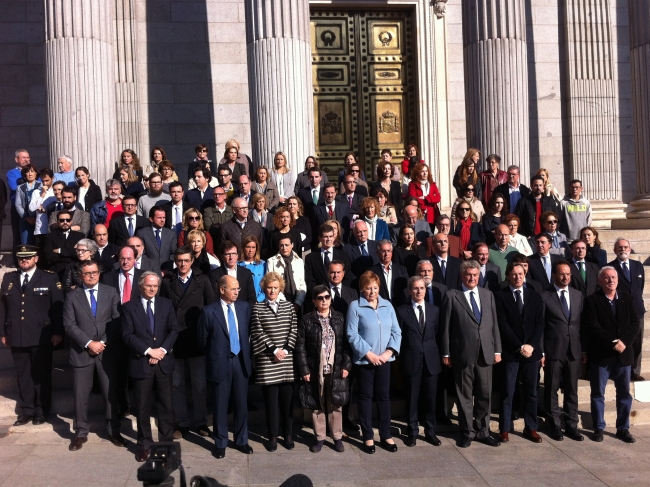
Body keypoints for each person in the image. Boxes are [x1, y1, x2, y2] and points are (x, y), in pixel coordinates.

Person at [0, 245, 64, 427]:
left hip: (41, 335)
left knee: (41, 375)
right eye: (21, 258)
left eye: (28, 257)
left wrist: (58, 332)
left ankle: (41, 410)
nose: (24, 261)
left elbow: (58, 307)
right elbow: (3, 307)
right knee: (23, 375)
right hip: (17, 334)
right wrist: (3, 332)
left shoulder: (49, 277)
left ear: (36, 258)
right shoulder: (9, 278)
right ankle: (26, 410)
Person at [63, 261, 123, 452]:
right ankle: (80, 432)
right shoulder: (72, 296)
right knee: (81, 396)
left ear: (99, 273)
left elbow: (116, 320)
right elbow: (69, 325)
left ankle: (113, 430)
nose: (91, 276)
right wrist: (89, 343)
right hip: (82, 351)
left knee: (110, 394)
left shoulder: (111, 292)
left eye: (94, 272)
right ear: (80, 275)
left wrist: (102, 343)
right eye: (87, 273)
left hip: (106, 351)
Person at [442, 260, 502, 448]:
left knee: (485, 394)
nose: (472, 278)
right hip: (462, 354)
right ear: (462, 275)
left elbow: (494, 326)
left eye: (475, 275)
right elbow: (445, 328)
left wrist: (497, 349)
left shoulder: (488, 295)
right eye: (468, 275)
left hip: (485, 353)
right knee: (464, 396)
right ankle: (467, 432)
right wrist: (446, 352)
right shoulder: (453, 295)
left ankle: (483, 431)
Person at [121, 272, 179, 462]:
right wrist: (148, 351)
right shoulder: (129, 307)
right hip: (141, 363)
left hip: (163, 363)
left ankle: (166, 445)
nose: (153, 289)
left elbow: (174, 329)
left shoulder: (166, 304)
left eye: (155, 286)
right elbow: (127, 335)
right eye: (149, 286)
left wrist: (161, 350)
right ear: (140, 286)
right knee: (143, 408)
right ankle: (144, 445)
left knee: (166, 406)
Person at [159, 247, 214, 439]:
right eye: (179, 261)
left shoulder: (203, 280)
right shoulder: (167, 282)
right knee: (177, 384)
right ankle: (181, 422)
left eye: (186, 260)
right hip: (175, 341)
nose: (182, 264)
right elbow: (163, 311)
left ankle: (200, 421)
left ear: (192, 261)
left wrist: (207, 336)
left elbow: (210, 307)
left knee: (199, 385)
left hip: (196, 339)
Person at [197, 275, 254, 458]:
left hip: (240, 361)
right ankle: (220, 442)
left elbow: (249, 332)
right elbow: (202, 340)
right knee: (220, 405)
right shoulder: (208, 311)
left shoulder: (244, 308)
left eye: (238, 288)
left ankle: (241, 440)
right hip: (220, 362)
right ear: (222, 290)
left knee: (241, 404)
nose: (237, 292)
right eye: (233, 289)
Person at [584, 267, 640, 443]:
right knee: (597, 393)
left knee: (624, 394)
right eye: (606, 278)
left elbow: (635, 323)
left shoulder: (626, 298)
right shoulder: (592, 300)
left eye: (613, 277)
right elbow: (593, 326)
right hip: (601, 356)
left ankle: (623, 428)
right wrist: (613, 342)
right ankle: (598, 428)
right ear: (600, 281)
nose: (611, 280)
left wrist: (624, 342)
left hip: (623, 355)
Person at [347, 271, 401, 453]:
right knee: (365, 397)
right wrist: (368, 354)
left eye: (375, 288)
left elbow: (396, 331)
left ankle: (386, 434)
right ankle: (368, 436)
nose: (372, 291)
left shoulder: (388, 306)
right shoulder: (355, 306)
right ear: (362, 288)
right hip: (365, 361)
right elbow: (352, 334)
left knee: (384, 397)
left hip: (385, 360)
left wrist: (389, 352)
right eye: (368, 288)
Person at [295, 284, 351, 453]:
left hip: (336, 366)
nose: (324, 300)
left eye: (327, 297)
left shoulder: (340, 317)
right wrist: (304, 370)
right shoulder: (307, 320)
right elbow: (300, 347)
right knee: (317, 403)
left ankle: (337, 437)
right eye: (320, 298)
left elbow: (347, 344)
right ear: (314, 301)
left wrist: (346, 365)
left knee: (335, 402)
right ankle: (319, 437)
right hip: (315, 367)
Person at [495, 262, 544, 443]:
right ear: (508, 276)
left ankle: (531, 427)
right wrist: (519, 346)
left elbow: (540, 323)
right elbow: (502, 325)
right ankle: (504, 429)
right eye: (514, 274)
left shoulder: (534, 296)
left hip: (531, 353)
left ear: (525, 275)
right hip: (511, 352)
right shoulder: (500, 296)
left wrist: (530, 345)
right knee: (508, 391)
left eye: (520, 274)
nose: (517, 277)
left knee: (531, 391)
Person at [251, 272, 299, 452]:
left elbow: (294, 329)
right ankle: (272, 436)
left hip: (286, 361)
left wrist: (285, 349)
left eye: (275, 287)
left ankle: (288, 434)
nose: (272, 290)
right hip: (268, 360)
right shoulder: (258, 308)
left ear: (280, 289)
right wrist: (274, 349)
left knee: (287, 401)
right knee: (271, 402)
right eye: (269, 287)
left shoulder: (289, 307)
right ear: (264, 288)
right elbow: (257, 331)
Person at [540, 260, 585, 442]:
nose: (565, 277)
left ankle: (572, 425)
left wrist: (583, 349)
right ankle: (555, 424)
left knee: (572, 389)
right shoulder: (545, 296)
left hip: (573, 350)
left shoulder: (578, 295)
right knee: (551, 388)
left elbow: (581, 325)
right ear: (554, 276)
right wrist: (542, 352)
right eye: (561, 274)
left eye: (568, 274)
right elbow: (541, 325)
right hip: (553, 350)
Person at [396, 276, 442, 447]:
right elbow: (399, 336)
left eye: (421, 288)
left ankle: (430, 431)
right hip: (411, 360)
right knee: (412, 398)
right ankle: (412, 432)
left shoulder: (434, 310)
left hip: (431, 360)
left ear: (425, 289)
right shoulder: (401, 311)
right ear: (409, 291)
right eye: (415, 288)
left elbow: (437, 334)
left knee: (431, 398)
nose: (418, 291)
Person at [607, 238, 646, 381]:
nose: (622, 249)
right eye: (619, 247)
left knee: (637, 342)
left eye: (625, 247)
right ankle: (621, 369)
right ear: (614, 250)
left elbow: (639, 287)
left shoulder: (638, 266)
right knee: (622, 341)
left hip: (637, 310)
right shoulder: (610, 267)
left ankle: (635, 371)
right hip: (620, 310)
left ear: (630, 249)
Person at [209, 240, 257, 307]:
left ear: (237, 255)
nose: (231, 257)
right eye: (228, 254)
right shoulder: (214, 274)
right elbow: (214, 299)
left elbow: (252, 298)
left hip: (243, 313)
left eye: (234, 254)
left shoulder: (246, 273)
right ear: (222, 257)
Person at [305, 224, 353, 290]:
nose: (329, 239)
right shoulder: (310, 258)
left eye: (331, 236)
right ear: (320, 238)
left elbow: (347, 277)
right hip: (320, 297)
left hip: (339, 295)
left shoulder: (343, 256)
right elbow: (310, 281)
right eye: (325, 237)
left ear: (334, 237)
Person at [266, 235, 307, 308]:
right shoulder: (271, 261)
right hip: (278, 303)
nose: (284, 248)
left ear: (292, 245)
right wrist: (285, 304)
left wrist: (298, 303)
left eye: (287, 245)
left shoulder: (299, 261)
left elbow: (302, 284)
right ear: (278, 246)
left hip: (297, 302)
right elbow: (270, 284)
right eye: (281, 245)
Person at [44, 210, 85, 277]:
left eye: (68, 220)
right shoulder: (49, 236)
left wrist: (60, 251)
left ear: (71, 221)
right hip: (55, 271)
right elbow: (49, 256)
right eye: (62, 220)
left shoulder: (80, 236)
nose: (65, 222)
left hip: (74, 271)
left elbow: (80, 254)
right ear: (57, 222)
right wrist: (71, 253)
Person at [370, 240, 408, 307]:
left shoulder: (402, 270)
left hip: (399, 308)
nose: (386, 254)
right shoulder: (371, 271)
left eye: (388, 251)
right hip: (379, 308)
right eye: (383, 251)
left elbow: (406, 290)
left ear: (392, 252)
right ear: (377, 253)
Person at [8, 149, 31, 249]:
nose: (26, 160)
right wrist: (30, 184)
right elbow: (14, 187)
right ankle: (17, 259)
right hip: (17, 207)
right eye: (23, 158)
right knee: (17, 233)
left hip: (32, 206)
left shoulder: (33, 171)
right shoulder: (12, 173)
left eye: (27, 157)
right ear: (16, 159)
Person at [407, 163, 441, 230]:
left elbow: (438, 198)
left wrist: (425, 198)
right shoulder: (412, 184)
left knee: (430, 234)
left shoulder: (432, 184)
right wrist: (430, 201)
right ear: (418, 172)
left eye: (426, 171)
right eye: (422, 171)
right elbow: (413, 199)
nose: (425, 173)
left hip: (431, 214)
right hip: (419, 212)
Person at [345, 220, 379, 285]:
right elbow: (348, 271)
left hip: (376, 283)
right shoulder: (347, 249)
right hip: (357, 284)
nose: (362, 234)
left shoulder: (376, 245)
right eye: (359, 232)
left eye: (365, 231)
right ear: (354, 233)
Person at [28, 168, 55, 249]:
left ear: (52, 178)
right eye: (43, 181)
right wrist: (42, 194)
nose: (45, 183)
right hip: (40, 229)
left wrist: (44, 209)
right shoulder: (36, 192)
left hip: (54, 228)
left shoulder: (56, 191)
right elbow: (32, 208)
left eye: (47, 180)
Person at [15, 163, 41, 245]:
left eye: (32, 171)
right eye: (27, 172)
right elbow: (18, 204)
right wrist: (26, 217)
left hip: (39, 219)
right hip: (25, 219)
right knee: (26, 244)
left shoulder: (41, 185)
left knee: (39, 243)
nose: (30, 174)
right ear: (24, 174)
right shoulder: (20, 187)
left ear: (36, 173)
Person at [239, 235, 266, 303]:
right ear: (243, 248)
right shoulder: (237, 265)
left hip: (259, 302)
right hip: (242, 303)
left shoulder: (263, 264)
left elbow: (267, 285)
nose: (251, 250)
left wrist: (258, 300)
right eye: (248, 247)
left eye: (253, 247)